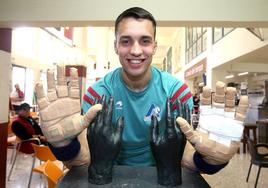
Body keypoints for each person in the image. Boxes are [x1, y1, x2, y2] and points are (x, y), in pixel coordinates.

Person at [34, 6, 248, 182]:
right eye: (126, 41)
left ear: (155, 46)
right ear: (116, 46)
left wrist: (211, 160)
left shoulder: (177, 93)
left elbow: (186, 161)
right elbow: (80, 162)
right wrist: (63, 145)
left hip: (162, 179)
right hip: (108, 178)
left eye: (145, 41)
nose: (136, 50)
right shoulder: (96, 95)